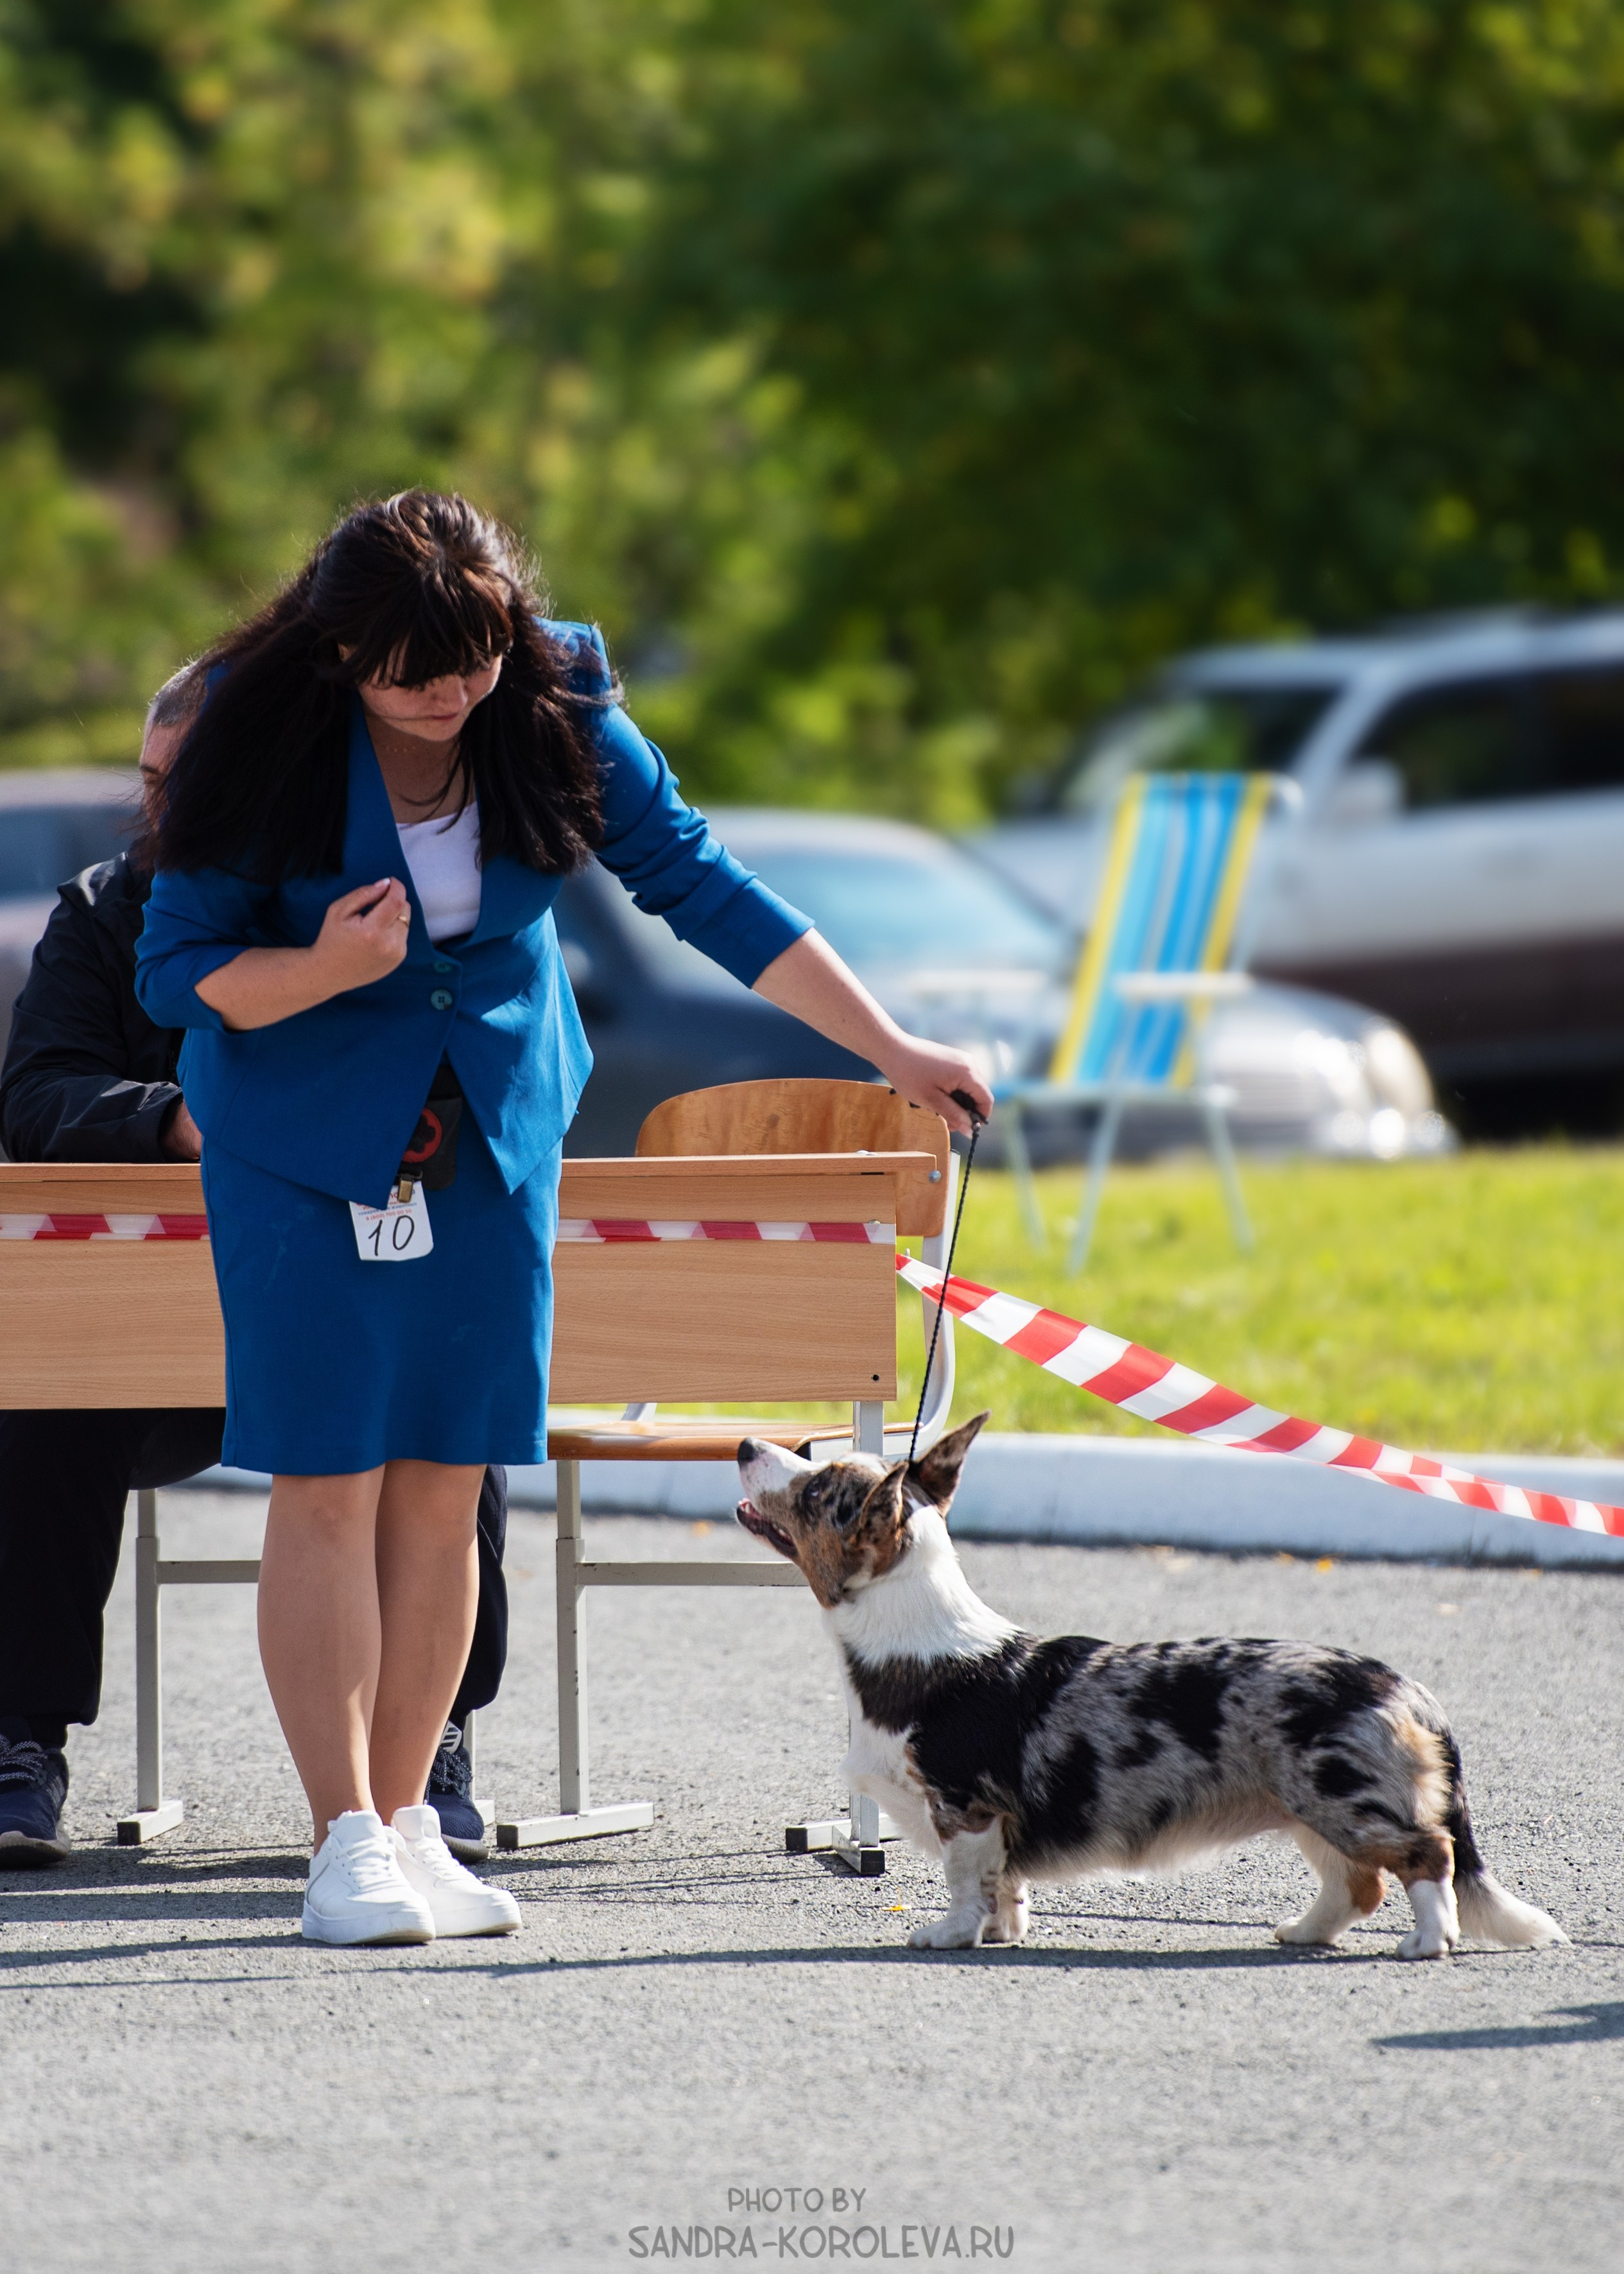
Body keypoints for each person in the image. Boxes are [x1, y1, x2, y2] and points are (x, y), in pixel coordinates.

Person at [135, 489, 993, 1949]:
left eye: (471, 659)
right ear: (341, 652)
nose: (450, 694)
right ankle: (341, 1839)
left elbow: (700, 887)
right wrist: (327, 969)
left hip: (490, 1136)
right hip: (300, 1141)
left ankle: (410, 1823)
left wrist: (891, 1048)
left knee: (448, 1479)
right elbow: (176, 972)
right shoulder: (251, 723)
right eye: (413, 674)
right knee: (331, 1479)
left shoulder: (557, 693)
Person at [0, 668, 511, 1868]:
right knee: (39, 1388)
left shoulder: (380, 906)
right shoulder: (107, 909)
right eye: (152, 781)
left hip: (353, 1319)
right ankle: (18, 1744)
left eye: (195, 783)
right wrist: (182, 1123)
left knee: (444, 1406)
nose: (165, 808)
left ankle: (431, 1744)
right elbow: (34, 1098)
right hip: (161, 1356)